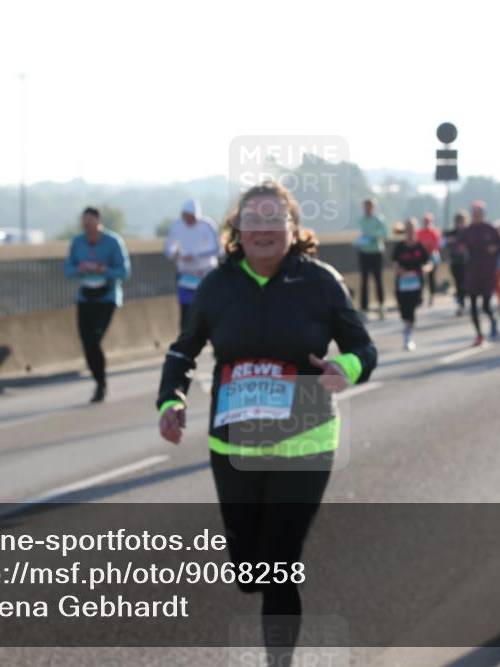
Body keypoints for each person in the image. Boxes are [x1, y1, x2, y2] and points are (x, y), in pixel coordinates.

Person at [156, 180, 376, 661]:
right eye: (252, 219)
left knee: (279, 563)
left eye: (274, 219)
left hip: (306, 442)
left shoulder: (320, 282)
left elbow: (364, 348)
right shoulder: (218, 285)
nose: (263, 228)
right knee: (247, 570)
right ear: (238, 231)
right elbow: (182, 351)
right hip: (233, 447)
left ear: (293, 230)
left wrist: (349, 368)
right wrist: (169, 401)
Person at [64, 206, 131, 402]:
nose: (88, 228)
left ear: (99, 223)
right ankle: (98, 379)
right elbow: (68, 270)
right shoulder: (77, 243)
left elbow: (124, 272)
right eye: (84, 225)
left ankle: (101, 384)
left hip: (106, 297)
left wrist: (103, 269)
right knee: (86, 342)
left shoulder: (113, 242)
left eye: (90, 224)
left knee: (94, 339)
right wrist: (80, 268)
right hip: (86, 297)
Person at [163, 199, 222, 331]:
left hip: (205, 274)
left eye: (190, 216)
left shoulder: (207, 225)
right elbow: (168, 249)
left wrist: (196, 255)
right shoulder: (177, 226)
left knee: (207, 307)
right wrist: (177, 256)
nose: (188, 220)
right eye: (185, 216)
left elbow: (218, 249)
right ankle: (184, 337)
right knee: (185, 309)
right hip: (185, 274)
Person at [459, 201, 500, 346]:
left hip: (487, 272)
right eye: (474, 213)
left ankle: (493, 319)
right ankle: (479, 334)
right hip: (473, 272)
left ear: (483, 214)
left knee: (486, 305)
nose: (476, 215)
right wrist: (459, 248)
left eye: (478, 213)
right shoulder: (468, 230)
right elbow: (459, 247)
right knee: (472, 305)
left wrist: (495, 248)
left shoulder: (490, 229)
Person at [393, 217, 431, 350]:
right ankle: (407, 328)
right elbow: (394, 262)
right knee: (404, 309)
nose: (409, 231)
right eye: (407, 228)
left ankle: (408, 334)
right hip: (402, 283)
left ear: (415, 230)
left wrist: (425, 269)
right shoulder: (399, 247)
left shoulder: (420, 246)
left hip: (416, 283)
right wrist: (399, 269)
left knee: (412, 308)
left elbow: (428, 262)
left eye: (412, 228)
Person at [354, 197, 387, 319]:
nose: (368, 208)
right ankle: (364, 308)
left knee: (378, 280)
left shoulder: (378, 219)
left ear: (373, 207)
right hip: (364, 252)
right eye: (366, 206)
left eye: (370, 206)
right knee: (364, 281)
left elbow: (384, 233)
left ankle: (381, 305)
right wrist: (361, 240)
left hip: (376, 252)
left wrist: (372, 237)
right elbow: (362, 233)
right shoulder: (361, 220)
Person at [444, 211, 469, 316]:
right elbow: (443, 244)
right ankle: (461, 303)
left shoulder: (468, 232)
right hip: (455, 262)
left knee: (466, 283)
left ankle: (465, 300)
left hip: (467, 262)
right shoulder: (451, 233)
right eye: (458, 221)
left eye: (462, 221)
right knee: (458, 283)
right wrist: (449, 240)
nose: (460, 223)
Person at [415, 213, 442, 306]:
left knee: (431, 278)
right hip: (422, 257)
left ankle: (432, 296)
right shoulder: (419, 232)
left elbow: (437, 246)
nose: (426, 223)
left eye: (428, 221)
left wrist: (429, 246)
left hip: (432, 256)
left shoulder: (434, 232)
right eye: (425, 221)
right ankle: (420, 297)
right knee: (421, 277)